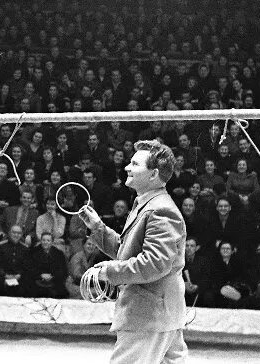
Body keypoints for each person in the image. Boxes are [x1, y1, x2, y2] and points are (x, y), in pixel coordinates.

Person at [78, 139, 188, 364]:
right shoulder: (147, 204)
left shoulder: (161, 210)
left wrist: (109, 271)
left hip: (149, 315)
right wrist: (98, 228)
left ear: (153, 174)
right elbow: (126, 252)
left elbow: (154, 263)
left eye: (135, 164)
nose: (127, 167)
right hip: (161, 313)